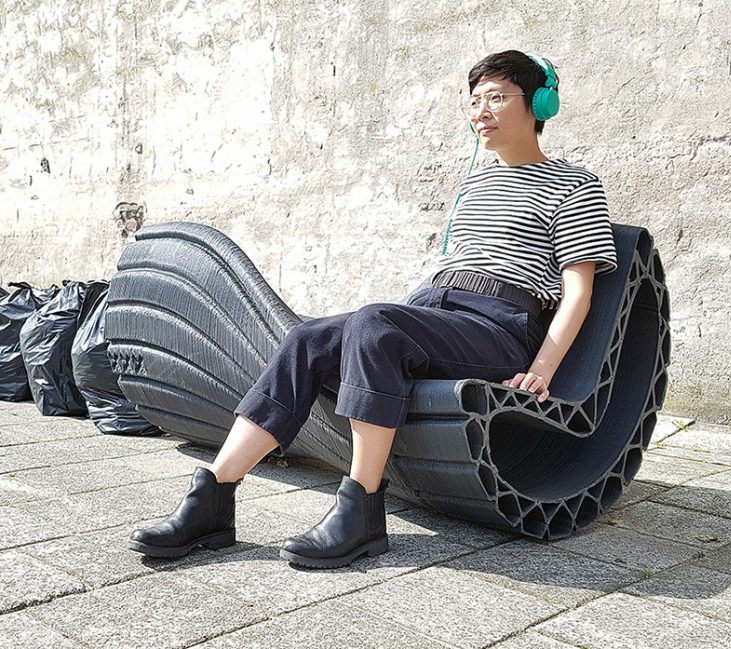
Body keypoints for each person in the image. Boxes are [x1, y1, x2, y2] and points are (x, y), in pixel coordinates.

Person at [127, 50, 619, 569]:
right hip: (439, 310)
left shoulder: (575, 184)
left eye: (497, 97)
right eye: (474, 101)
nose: (481, 112)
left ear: (539, 103)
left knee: (374, 323)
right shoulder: (476, 182)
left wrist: (543, 369)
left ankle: (361, 508)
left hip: (500, 324)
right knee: (308, 338)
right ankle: (214, 496)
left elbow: (578, 291)